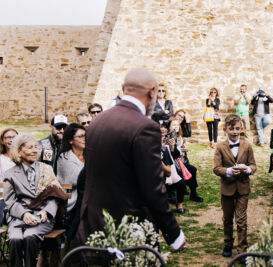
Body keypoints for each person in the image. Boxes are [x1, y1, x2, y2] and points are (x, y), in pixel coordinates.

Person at [77, 68, 185, 253]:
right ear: (152, 92)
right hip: (129, 227)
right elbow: (152, 186)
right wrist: (174, 234)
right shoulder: (145, 127)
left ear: (123, 88)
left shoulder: (97, 122)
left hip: (94, 223)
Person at [4, 134, 65, 267]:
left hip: (41, 217)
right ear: (19, 152)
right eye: (30, 147)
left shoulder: (46, 169)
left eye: (36, 147)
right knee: (15, 239)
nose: (35, 150)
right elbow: (10, 201)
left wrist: (46, 211)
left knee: (29, 236)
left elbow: (54, 196)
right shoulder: (10, 174)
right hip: (18, 217)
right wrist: (24, 214)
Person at [213, 114, 256, 261]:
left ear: (242, 129)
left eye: (237, 129)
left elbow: (253, 165)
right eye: (231, 129)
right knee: (227, 219)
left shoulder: (247, 145)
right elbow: (216, 168)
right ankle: (228, 243)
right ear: (225, 129)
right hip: (227, 188)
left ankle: (242, 249)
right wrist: (229, 171)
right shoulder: (220, 147)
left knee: (241, 220)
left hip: (243, 188)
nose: (235, 132)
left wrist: (248, 169)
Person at [56, 123, 85, 240]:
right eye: (81, 136)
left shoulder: (90, 155)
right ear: (71, 141)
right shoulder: (64, 158)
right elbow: (74, 180)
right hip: (72, 202)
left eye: (86, 135)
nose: (85, 138)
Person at [169, 118, 203, 202]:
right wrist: (180, 150)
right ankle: (171, 194)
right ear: (169, 127)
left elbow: (180, 153)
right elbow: (172, 153)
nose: (176, 126)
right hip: (171, 164)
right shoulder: (169, 136)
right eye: (174, 124)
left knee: (192, 169)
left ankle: (193, 193)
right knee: (186, 170)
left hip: (179, 162)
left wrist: (183, 150)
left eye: (177, 124)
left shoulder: (178, 137)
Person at [160, 123, 186, 213]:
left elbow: (176, 156)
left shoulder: (170, 139)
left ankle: (179, 204)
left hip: (172, 167)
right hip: (162, 169)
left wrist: (172, 147)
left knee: (181, 183)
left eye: (164, 128)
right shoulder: (154, 141)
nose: (163, 129)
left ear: (167, 130)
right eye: (160, 128)